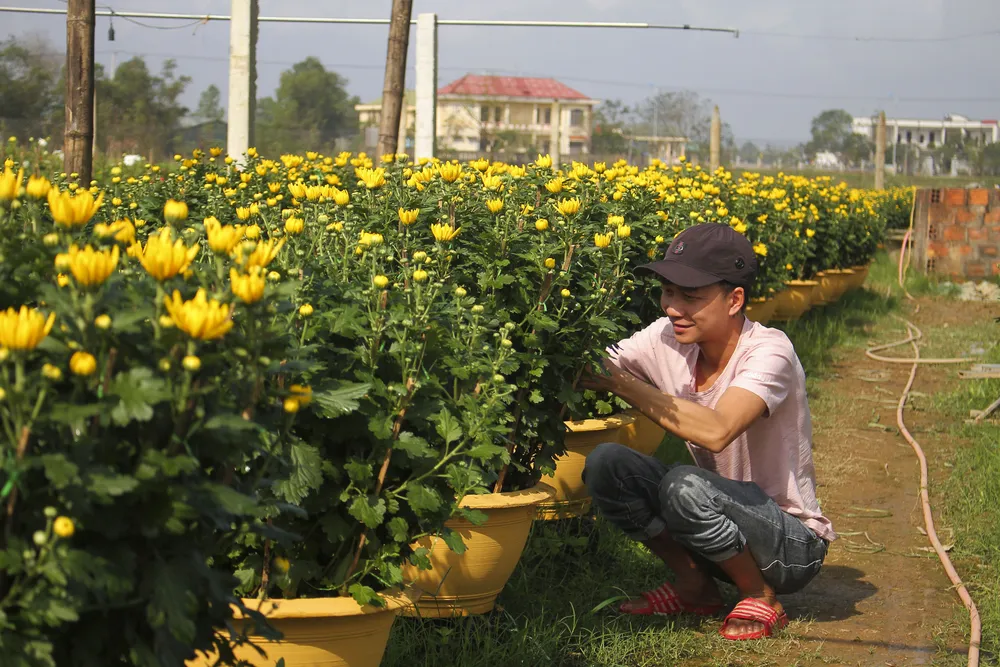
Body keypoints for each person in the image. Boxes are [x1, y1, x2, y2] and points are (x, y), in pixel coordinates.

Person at [580, 222, 836, 641]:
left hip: (788, 543)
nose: (672, 307)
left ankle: (761, 594)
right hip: (710, 521)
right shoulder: (667, 338)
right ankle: (695, 586)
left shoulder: (770, 351)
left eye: (691, 297)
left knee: (685, 486)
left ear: (735, 299)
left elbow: (717, 432)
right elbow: (598, 364)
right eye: (668, 292)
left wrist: (621, 383)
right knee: (608, 464)